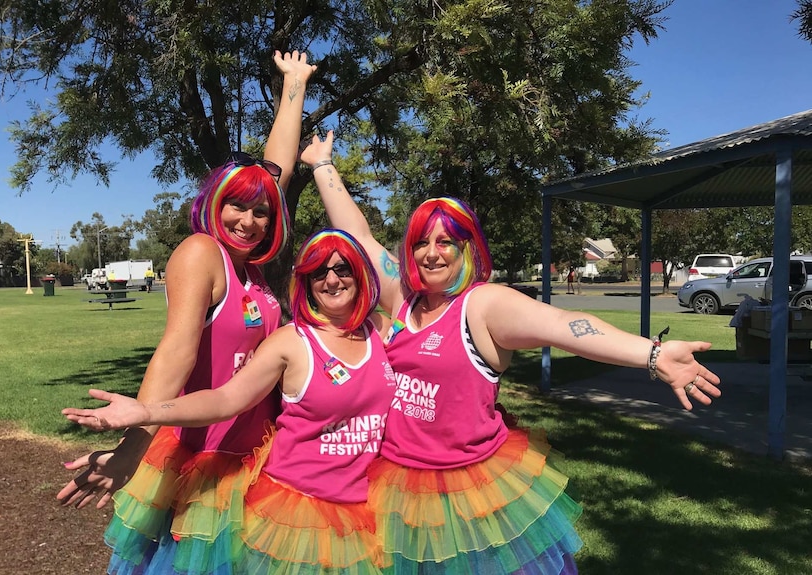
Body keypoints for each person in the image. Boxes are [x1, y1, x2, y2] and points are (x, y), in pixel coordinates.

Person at [300, 131, 722, 574]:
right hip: (396, 483)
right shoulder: (403, 298)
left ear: (467, 248)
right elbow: (359, 235)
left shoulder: (482, 305)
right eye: (421, 242)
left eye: (445, 242)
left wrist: (652, 355)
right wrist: (322, 165)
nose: (431, 253)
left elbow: (565, 326)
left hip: (468, 490)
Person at [56, 51, 316, 575]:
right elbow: (176, 352)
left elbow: (275, 174)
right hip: (203, 462)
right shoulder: (203, 253)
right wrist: (134, 446)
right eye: (236, 206)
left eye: (260, 211)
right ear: (214, 204)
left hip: (256, 457)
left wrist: (294, 85)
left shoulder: (253, 273)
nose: (247, 220)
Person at [63, 229, 396, 575]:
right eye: (317, 271)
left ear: (360, 274)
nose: (331, 280)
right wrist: (148, 410)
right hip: (297, 516)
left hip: (365, 507)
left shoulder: (383, 331)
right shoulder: (292, 341)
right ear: (305, 282)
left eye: (343, 269)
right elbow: (226, 398)